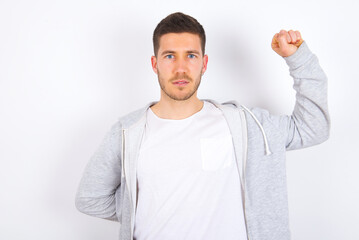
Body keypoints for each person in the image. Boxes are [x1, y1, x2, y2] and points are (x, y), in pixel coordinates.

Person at [75, 12, 330, 240]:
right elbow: (90, 198)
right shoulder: (127, 132)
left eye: (191, 56)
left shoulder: (246, 126)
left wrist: (299, 60)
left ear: (204, 63)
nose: (181, 68)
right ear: (155, 64)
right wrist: (140, 207)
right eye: (170, 56)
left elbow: (313, 128)